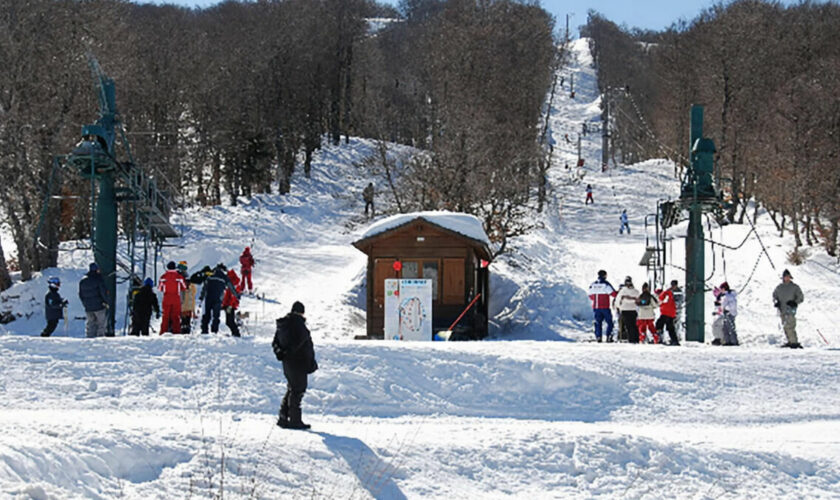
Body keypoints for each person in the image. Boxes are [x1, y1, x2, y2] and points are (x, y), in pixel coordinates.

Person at [272, 301, 318, 430]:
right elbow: (300, 343)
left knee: (292, 388)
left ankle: (283, 417)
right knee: (298, 390)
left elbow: (275, 342)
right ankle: (294, 420)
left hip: (288, 363)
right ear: (301, 312)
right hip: (298, 362)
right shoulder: (298, 325)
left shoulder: (283, 325)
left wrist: (281, 354)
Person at [200, 263, 239, 334]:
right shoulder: (224, 276)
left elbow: (205, 287)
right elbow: (231, 287)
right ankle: (214, 331)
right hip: (218, 298)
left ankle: (204, 330)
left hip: (209, 297)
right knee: (216, 316)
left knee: (207, 314)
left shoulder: (210, 274)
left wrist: (202, 296)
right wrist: (237, 295)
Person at [773, 269, 804, 348]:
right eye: (785, 277)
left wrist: (795, 302)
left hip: (791, 310)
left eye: (788, 277)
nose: (787, 278)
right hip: (782, 310)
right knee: (785, 326)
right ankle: (790, 341)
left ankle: (794, 342)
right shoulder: (779, 287)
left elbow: (801, 297)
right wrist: (777, 302)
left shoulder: (795, 287)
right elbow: (774, 296)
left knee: (790, 326)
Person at [78, 263, 109, 338]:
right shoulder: (99, 280)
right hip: (99, 306)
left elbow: (80, 294)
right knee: (101, 324)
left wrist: (85, 304)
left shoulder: (83, 281)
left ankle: (90, 338)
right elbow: (103, 293)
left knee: (91, 324)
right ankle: (100, 339)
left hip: (88, 307)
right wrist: (106, 302)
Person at [588, 270, 617, 342]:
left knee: (598, 322)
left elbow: (590, 296)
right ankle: (609, 336)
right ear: (605, 275)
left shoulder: (593, 284)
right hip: (605, 307)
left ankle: (598, 337)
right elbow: (613, 294)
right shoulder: (605, 284)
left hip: (596, 307)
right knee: (609, 322)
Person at [158, 261, 186, 334]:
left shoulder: (163, 277)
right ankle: (176, 331)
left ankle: (163, 331)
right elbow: (184, 287)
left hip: (167, 297)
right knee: (176, 316)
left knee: (165, 316)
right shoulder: (179, 277)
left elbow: (160, 288)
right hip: (176, 297)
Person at [613, 276, 640, 343]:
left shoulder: (622, 292)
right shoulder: (636, 291)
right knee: (634, 325)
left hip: (625, 310)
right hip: (633, 310)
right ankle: (636, 338)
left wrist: (619, 307)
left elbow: (617, 301)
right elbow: (639, 301)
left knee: (628, 326)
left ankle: (631, 339)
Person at [655, 281, 680, 345]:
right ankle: (674, 340)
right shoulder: (673, 293)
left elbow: (662, 301)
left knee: (660, 325)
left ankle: (659, 338)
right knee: (670, 327)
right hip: (671, 313)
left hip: (666, 312)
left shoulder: (666, 293)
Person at [222, 269, 244, 337]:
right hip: (230, 305)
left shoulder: (233, 283)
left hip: (230, 306)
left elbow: (232, 296)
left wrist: (228, 305)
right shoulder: (233, 283)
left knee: (229, 321)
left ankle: (236, 333)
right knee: (229, 321)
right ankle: (235, 333)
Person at [178, 261, 198, 334]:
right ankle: (186, 329)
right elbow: (193, 297)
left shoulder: (178, 281)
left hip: (181, 306)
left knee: (181, 320)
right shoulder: (191, 286)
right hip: (188, 307)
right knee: (186, 322)